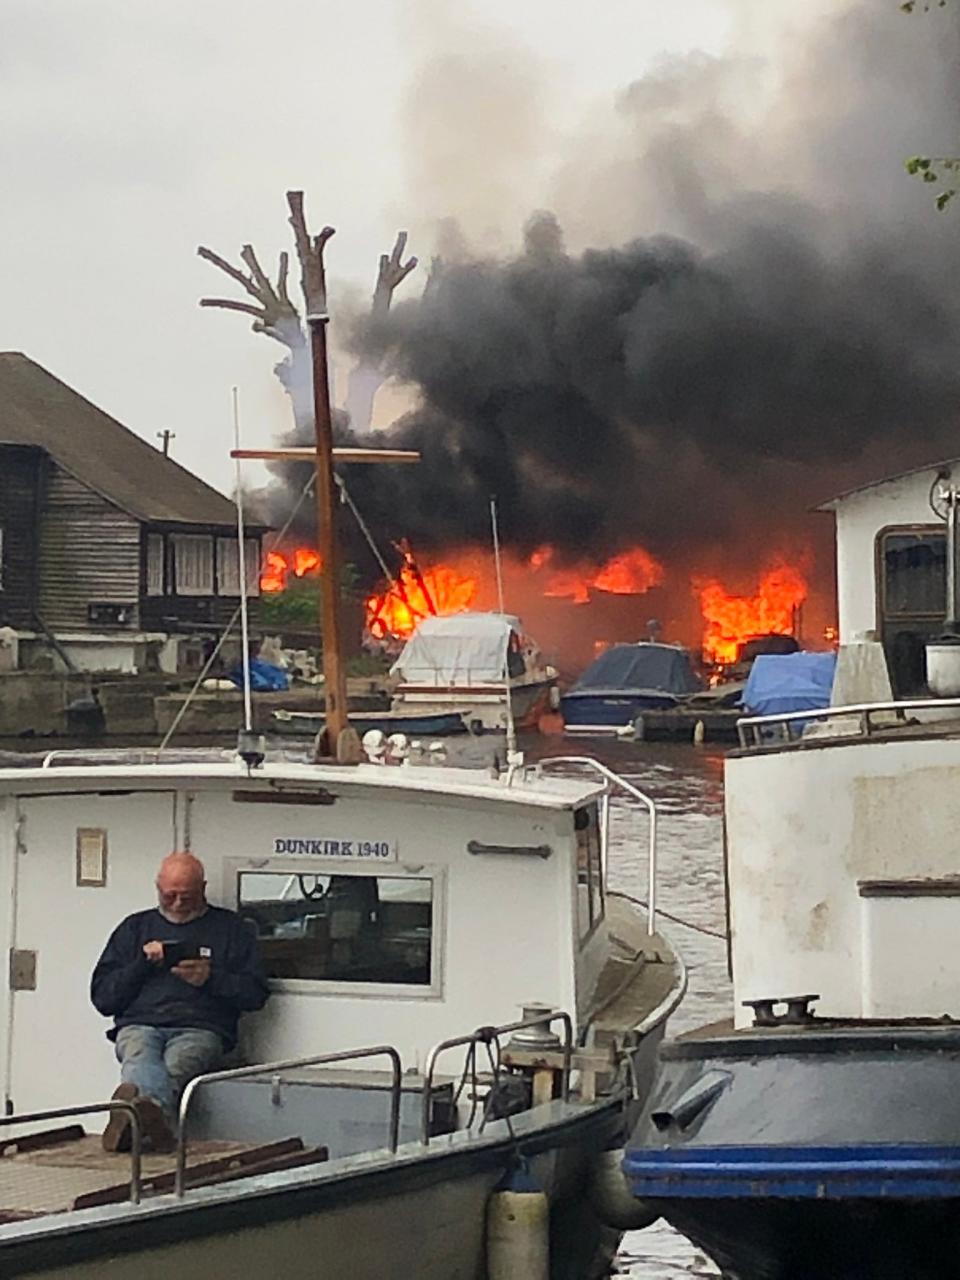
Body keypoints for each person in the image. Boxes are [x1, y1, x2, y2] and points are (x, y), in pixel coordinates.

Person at [90, 851, 269, 1152]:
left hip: (201, 1027)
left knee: (173, 1066)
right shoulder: (135, 929)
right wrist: (142, 964)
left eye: (186, 897)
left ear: (203, 889)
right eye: (169, 896)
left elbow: (256, 994)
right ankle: (158, 1129)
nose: (176, 904)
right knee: (141, 1058)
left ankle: (132, 1119)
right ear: (157, 888)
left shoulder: (232, 930)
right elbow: (104, 998)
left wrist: (210, 978)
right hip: (140, 1023)